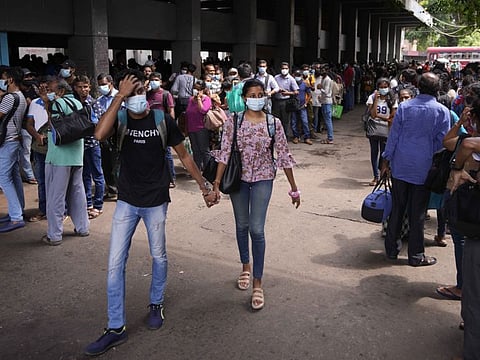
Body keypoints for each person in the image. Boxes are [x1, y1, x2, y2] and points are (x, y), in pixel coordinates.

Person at [85, 69, 217, 356]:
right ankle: (115, 327)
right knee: (114, 263)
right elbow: (98, 134)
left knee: (158, 255)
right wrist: (120, 96)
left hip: (156, 200)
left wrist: (204, 186)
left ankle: (156, 304)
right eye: (132, 94)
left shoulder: (161, 120)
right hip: (127, 201)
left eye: (141, 92)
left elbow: (184, 155)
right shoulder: (118, 117)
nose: (138, 98)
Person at [212, 78, 300, 311]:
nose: (256, 98)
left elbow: (283, 155)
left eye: (260, 94)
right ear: (243, 98)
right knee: (241, 225)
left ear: (265, 96)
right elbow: (224, 152)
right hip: (238, 181)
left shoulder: (274, 123)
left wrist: (294, 188)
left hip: (263, 179)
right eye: (251, 95)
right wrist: (216, 183)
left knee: (256, 229)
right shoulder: (233, 121)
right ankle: (245, 267)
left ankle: (258, 283)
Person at [381, 72, 450, 266]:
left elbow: (393, 136)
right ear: (437, 89)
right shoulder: (441, 111)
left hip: (401, 166)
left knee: (397, 209)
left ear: (418, 87)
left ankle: (391, 250)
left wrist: (386, 160)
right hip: (424, 169)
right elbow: (441, 144)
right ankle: (416, 255)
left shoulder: (404, 107)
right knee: (417, 214)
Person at [448, 99, 480, 360]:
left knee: (474, 297)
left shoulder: (471, 143)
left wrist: (458, 170)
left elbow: (463, 144)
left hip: (475, 232)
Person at [41, 77, 90, 245]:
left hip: (59, 157)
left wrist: (47, 104)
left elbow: (52, 125)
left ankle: (54, 235)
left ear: (61, 91)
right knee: (77, 193)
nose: (49, 92)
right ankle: (82, 227)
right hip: (77, 155)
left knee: (56, 196)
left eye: (51, 89)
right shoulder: (77, 103)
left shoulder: (58, 104)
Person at [73, 75, 106, 219]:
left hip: (92, 144)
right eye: (80, 87)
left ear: (90, 88)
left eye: (85, 87)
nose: (83, 90)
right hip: (79, 145)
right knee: (84, 175)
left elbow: (98, 123)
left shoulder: (94, 103)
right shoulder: (73, 103)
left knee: (97, 175)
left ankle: (98, 205)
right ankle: (88, 204)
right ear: (75, 88)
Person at [0, 67, 28, 233]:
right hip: (14, 140)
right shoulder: (20, 97)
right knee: (14, 176)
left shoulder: (10, 97)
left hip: (8, 141)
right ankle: (17, 211)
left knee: (3, 178)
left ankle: (16, 217)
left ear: (10, 80)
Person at [365, 78, 397, 186]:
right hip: (374, 129)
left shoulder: (392, 99)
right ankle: (375, 176)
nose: (383, 89)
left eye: (385, 87)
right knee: (374, 152)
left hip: (386, 131)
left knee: (384, 154)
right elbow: (373, 114)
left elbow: (392, 116)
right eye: (381, 87)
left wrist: (381, 117)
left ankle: (382, 173)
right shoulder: (372, 98)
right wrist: (376, 101)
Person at [147, 72, 177, 187]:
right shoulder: (147, 94)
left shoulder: (166, 94)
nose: (153, 82)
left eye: (155, 79)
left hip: (163, 127)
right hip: (150, 128)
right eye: (151, 80)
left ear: (160, 81)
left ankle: (171, 178)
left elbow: (171, 111)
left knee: (167, 153)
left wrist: (171, 126)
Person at [185, 79, 212, 171]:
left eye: (198, 89)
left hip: (201, 128)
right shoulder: (190, 99)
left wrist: (199, 99)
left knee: (204, 150)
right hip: (191, 128)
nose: (196, 90)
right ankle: (197, 170)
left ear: (203, 89)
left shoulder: (206, 99)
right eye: (194, 88)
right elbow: (188, 113)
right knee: (195, 151)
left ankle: (208, 170)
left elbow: (203, 110)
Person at [273, 62, 299, 138]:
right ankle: (276, 136)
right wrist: (277, 89)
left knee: (285, 120)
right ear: (280, 69)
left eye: (286, 68)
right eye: (283, 68)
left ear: (288, 69)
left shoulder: (291, 79)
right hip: (277, 101)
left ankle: (284, 136)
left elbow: (296, 91)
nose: (284, 70)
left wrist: (288, 93)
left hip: (286, 101)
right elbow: (272, 87)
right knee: (276, 120)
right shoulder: (276, 78)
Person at [291, 70, 313, 145]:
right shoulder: (292, 84)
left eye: (299, 75)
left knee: (305, 122)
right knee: (294, 122)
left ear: (301, 76)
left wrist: (306, 103)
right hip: (294, 106)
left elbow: (309, 94)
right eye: (296, 75)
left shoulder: (304, 84)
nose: (297, 76)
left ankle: (307, 137)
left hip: (302, 106)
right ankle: (296, 136)